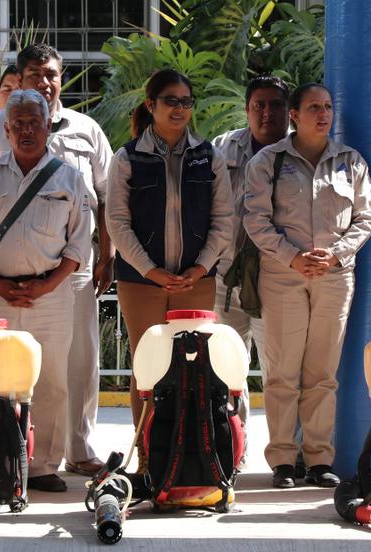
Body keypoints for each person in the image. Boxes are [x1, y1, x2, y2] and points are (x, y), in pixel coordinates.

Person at [0, 43, 114, 477]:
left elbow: (103, 202)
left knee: (69, 370)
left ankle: (58, 458)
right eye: (35, 74)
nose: (44, 81)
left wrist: (105, 257)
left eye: (52, 74)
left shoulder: (85, 132)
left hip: (64, 280)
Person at [243, 83, 371, 489]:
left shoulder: (350, 162)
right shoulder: (268, 161)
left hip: (335, 278)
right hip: (284, 277)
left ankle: (319, 459)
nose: (324, 114)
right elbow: (255, 219)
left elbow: (366, 217)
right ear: (295, 116)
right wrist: (293, 256)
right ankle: (283, 459)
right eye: (314, 108)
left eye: (328, 107)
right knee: (283, 373)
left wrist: (336, 254)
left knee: (322, 374)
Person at [106, 68, 234, 471]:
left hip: (197, 280)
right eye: (170, 101)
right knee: (147, 368)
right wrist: (150, 270)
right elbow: (116, 222)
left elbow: (224, 219)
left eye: (185, 101)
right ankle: (147, 458)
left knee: (195, 367)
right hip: (141, 282)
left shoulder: (209, 157)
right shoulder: (127, 158)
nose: (179, 109)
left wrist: (201, 266)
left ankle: (194, 454)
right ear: (151, 105)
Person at [212, 75, 290, 428]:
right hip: (226, 275)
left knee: (282, 370)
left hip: (280, 277)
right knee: (226, 367)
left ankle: (287, 452)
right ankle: (233, 443)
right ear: (247, 110)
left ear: (290, 112)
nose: (267, 113)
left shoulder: (302, 151)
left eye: (276, 105)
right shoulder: (221, 149)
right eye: (259, 105)